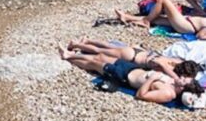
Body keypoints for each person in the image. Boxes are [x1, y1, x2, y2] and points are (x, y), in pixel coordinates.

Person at [58, 44, 204, 106]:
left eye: (185, 80)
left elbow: (141, 95)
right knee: (101, 56)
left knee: (94, 63)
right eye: (184, 77)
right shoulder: (173, 82)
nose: (182, 78)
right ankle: (72, 53)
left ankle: (69, 57)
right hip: (133, 68)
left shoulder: (168, 94)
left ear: (184, 88)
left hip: (124, 77)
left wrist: (152, 78)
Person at [62, 38, 203, 85]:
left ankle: (85, 41)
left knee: (108, 46)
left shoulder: (178, 59)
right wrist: (175, 77)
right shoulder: (169, 67)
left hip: (140, 52)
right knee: (100, 52)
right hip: (132, 56)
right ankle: (77, 45)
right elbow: (160, 64)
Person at [116, 0, 206, 39]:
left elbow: (200, 36)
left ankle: (145, 21)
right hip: (186, 22)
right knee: (155, 19)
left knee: (163, 0)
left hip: (186, 25)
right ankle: (126, 17)